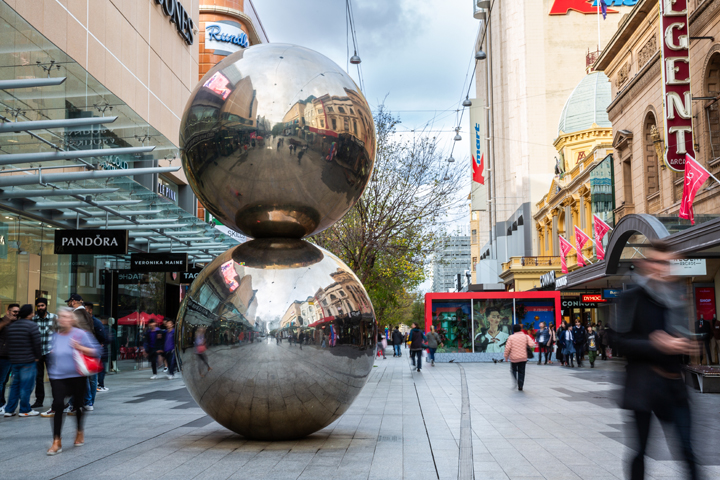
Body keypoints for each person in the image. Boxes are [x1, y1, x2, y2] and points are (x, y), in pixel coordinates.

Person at [615, 240, 699, 480]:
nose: (662, 268)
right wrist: (656, 343)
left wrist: (687, 342)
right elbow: (618, 341)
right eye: (657, 262)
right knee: (640, 451)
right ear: (645, 264)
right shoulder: (632, 298)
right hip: (643, 386)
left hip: (674, 386)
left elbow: (684, 336)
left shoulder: (678, 299)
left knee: (687, 450)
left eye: (669, 264)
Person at [46, 307, 100, 455]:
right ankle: (56, 441)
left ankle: (79, 431)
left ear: (72, 319)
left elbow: (97, 351)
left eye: (65, 316)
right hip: (58, 377)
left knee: (77, 405)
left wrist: (79, 347)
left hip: (77, 376)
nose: (62, 319)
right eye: (60, 316)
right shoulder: (56, 336)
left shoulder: (81, 334)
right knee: (58, 405)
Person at [3, 304, 42, 417]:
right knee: (26, 386)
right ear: (29, 314)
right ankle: (24, 409)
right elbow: (37, 343)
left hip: (15, 361)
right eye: (32, 312)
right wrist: (37, 357)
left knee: (15, 386)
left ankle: (9, 410)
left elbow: (9, 343)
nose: (34, 314)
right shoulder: (32, 326)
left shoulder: (12, 326)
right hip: (28, 360)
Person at [31, 298, 56, 410]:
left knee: (53, 377)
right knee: (38, 377)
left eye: (42, 305)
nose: (40, 308)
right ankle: (39, 400)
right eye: (38, 306)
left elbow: (60, 333)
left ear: (46, 306)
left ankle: (57, 400)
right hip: (38, 353)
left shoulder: (54, 318)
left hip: (51, 351)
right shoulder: (33, 319)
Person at [83, 303, 106, 409]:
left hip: (94, 353)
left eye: (85, 309)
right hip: (85, 352)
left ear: (90, 310)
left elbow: (103, 337)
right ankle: (86, 401)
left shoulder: (96, 322)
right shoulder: (84, 322)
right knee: (86, 378)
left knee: (92, 378)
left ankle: (90, 402)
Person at [504, 324, 536, 391]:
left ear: (514, 330)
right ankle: (520, 385)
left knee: (513, 370)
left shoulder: (511, 337)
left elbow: (507, 348)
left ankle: (515, 379)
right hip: (523, 357)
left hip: (514, 358)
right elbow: (532, 344)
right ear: (520, 329)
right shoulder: (526, 336)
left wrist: (506, 356)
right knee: (522, 371)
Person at [0, 304, 19, 415]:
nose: (16, 313)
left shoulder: (16, 323)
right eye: (14, 311)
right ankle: (1, 404)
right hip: (2, 356)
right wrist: (6, 321)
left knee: (5, 381)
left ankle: (3, 404)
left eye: (17, 311)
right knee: (1, 381)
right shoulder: (3, 321)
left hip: (12, 357)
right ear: (8, 311)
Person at [97, 316, 112, 392]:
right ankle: (100, 385)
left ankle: (100, 385)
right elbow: (109, 339)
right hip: (102, 352)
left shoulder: (98, 328)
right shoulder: (105, 329)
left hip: (100, 351)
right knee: (101, 370)